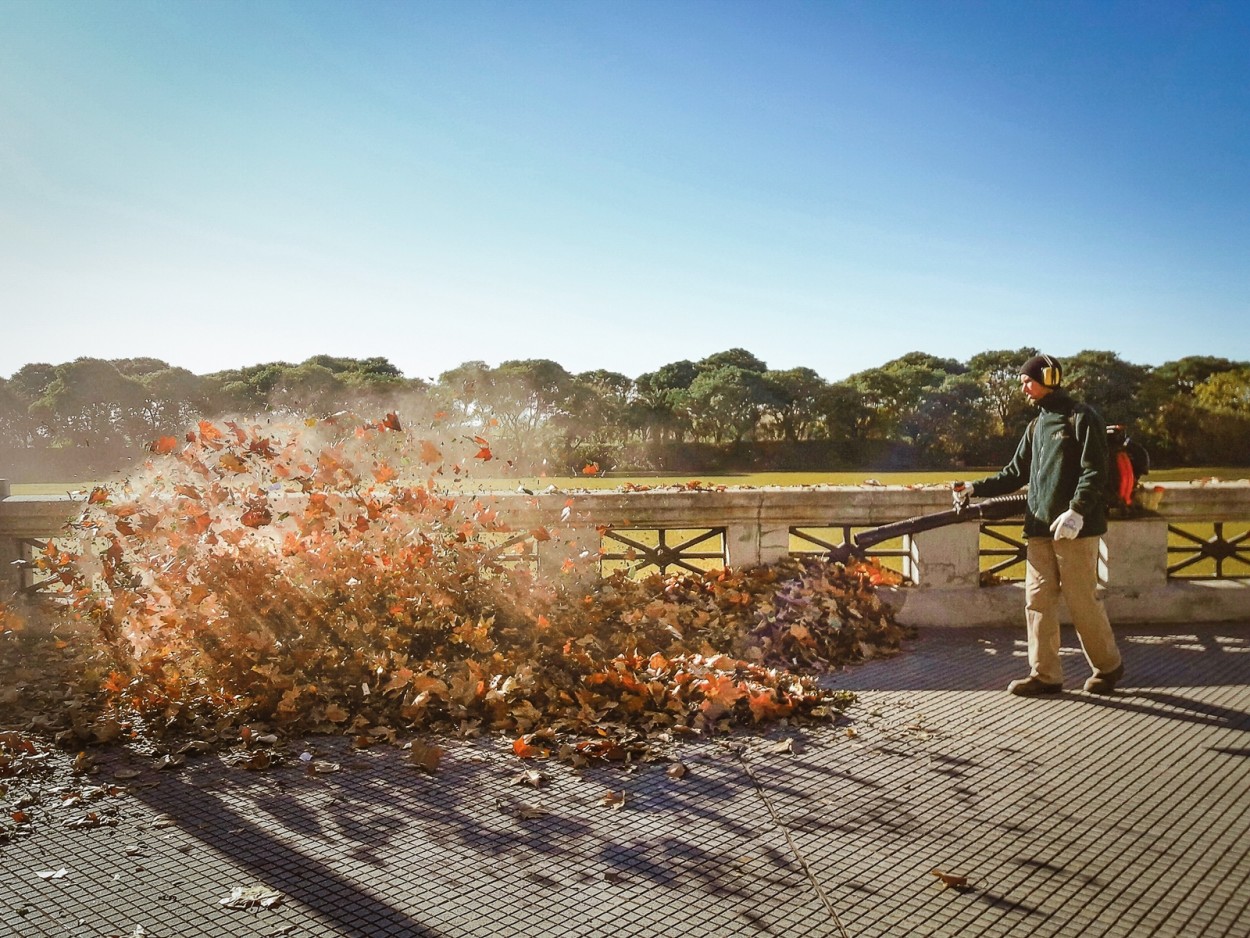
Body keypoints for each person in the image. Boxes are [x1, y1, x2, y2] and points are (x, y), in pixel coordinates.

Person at [952, 353, 1124, 697]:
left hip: (1075, 529)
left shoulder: (1081, 417)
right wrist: (974, 487)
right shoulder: (1036, 426)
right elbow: (1014, 474)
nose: (1024, 388)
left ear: (1048, 379)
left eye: (1027, 381)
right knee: (1037, 600)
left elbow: (1095, 470)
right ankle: (1045, 674)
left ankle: (1108, 667)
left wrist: (1076, 511)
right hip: (1040, 529)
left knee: (1081, 601)